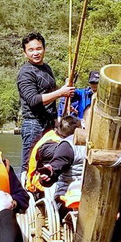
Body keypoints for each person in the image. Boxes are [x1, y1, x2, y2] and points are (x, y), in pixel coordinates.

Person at [16, 32, 74, 173]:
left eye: (38, 48)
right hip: (33, 124)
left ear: (44, 49)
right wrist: (61, 92)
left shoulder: (46, 68)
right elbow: (33, 100)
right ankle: (26, 192)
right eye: (31, 50)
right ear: (25, 53)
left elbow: (49, 96)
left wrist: (56, 119)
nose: (35, 53)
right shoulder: (26, 73)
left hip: (49, 123)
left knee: (47, 162)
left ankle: (42, 191)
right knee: (29, 163)